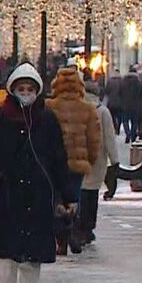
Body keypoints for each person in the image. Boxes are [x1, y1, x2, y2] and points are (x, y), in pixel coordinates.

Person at [0, 63, 78, 283]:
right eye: (21, 89)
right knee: (7, 256)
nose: (26, 93)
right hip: (8, 197)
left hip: (38, 198)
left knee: (32, 259)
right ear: (12, 90)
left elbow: (58, 160)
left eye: (30, 89)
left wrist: (68, 195)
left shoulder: (47, 120)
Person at [45, 67, 103, 255]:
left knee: (56, 199)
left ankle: (61, 237)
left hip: (53, 164)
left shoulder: (49, 107)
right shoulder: (87, 108)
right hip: (77, 163)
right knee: (74, 199)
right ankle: (71, 230)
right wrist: (89, 159)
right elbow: (94, 140)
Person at [81, 78, 119, 245]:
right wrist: (115, 159)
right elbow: (110, 137)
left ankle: (80, 224)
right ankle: (89, 227)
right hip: (98, 156)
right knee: (92, 192)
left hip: (80, 155)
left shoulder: (78, 109)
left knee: (81, 190)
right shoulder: (102, 111)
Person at [120, 65, 142, 142]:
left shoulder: (123, 80)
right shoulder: (138, 81)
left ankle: (128, 133)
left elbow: (120, 92)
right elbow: (141, 93)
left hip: (125, 104)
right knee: (134, 121)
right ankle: (133, 136)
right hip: (135, 104)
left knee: (125, 121)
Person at [104, 69, 124, 135]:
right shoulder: (121, 81)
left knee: (112, 116)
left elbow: (106, 91)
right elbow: (123, 92)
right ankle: (118, 128)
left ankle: (115, 127)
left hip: (111, 102)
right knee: (119, 116)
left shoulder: (110, 81)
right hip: (120, 102)